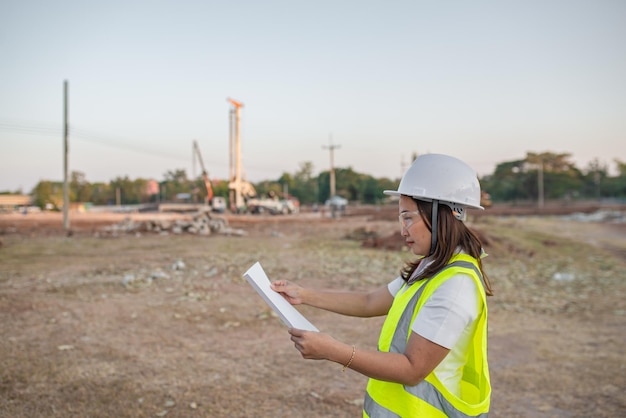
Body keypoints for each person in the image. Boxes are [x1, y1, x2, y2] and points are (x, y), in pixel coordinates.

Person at [271, 153, 493, 417]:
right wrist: (303, 295)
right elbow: (369, 302)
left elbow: (412, 369)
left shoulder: (455, 285)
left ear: (439, 214)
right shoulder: (431, 266)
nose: (403, 230)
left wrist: (334, 351)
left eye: (408, 218)